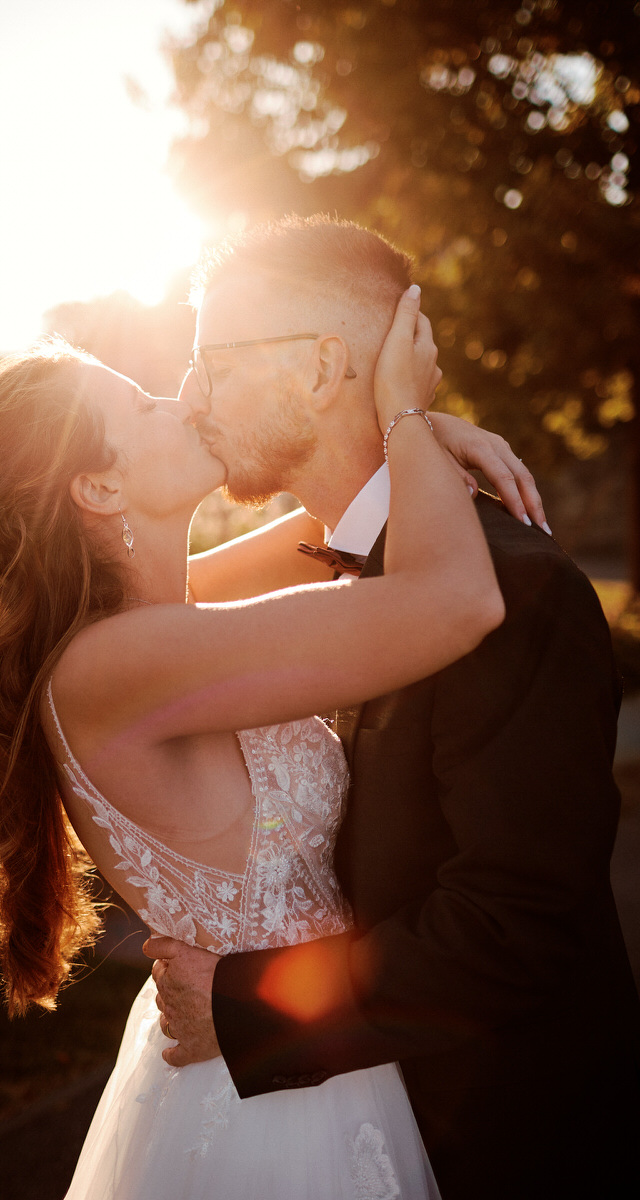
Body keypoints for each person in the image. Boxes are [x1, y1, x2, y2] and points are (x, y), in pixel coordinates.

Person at [0, 282, 533, 1199]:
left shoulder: (156, 616)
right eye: (148, 403)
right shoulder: (119, 661)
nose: (188, 399)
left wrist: (429, 437)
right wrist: (403, 408)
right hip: (270, 1109)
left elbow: (333, 527)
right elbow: (457, 602)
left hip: (300, 1049)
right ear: (101, 484)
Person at [149, 215, 640, 1200]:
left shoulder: (511, 590)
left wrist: (249, 1010)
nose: (190, 397)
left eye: (213, 362)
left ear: (322, 365)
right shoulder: (328, 570)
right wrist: (411, 438)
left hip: (502, 1146)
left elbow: (511, 923)